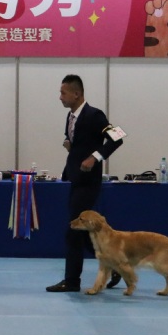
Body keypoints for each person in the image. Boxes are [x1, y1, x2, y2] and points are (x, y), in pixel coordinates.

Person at [47, 74, 125, 292]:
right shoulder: (71, 116)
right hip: (75, 179)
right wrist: (70, 145)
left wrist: (95, 157)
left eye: (63, 93)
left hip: (88, 182)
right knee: (82, 233)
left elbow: (117, 137)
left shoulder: (94, 115)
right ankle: (116, 264)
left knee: (73, 230)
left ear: (76, 94)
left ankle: (72, 281)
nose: (60, 97)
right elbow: (78, 141)